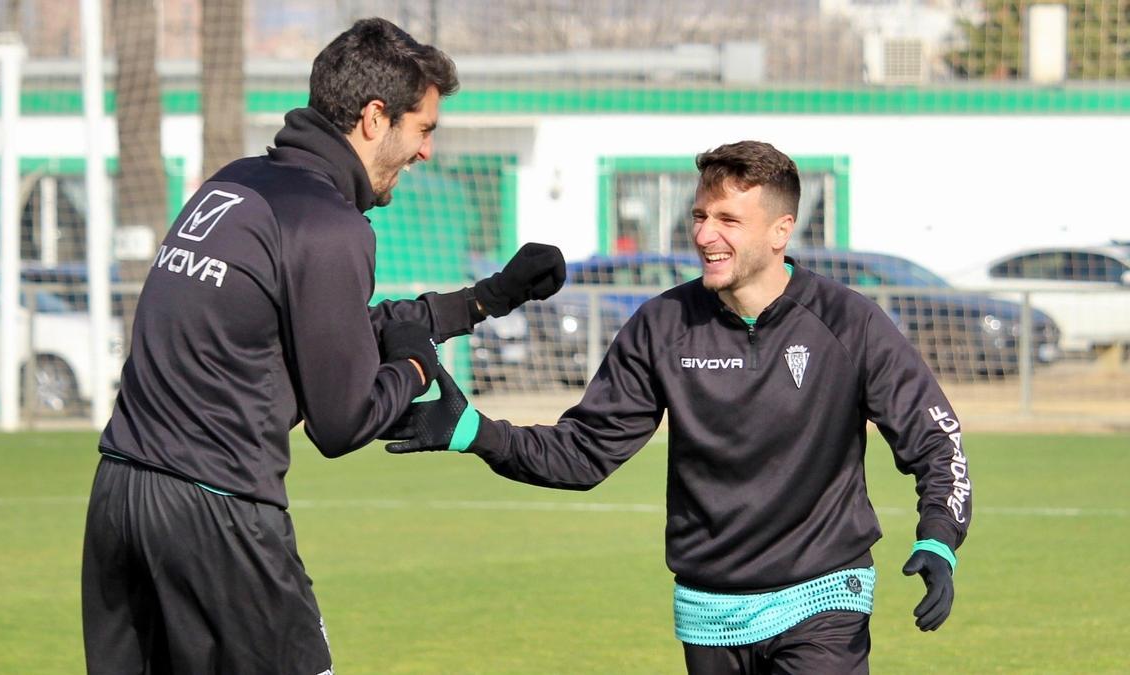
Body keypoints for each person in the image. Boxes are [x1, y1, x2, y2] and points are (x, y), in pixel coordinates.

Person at [81, 17, 566, 674]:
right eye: (423, 129)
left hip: (119, 497)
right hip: (218, 512)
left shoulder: (236, 185)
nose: (427, 152)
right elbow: (340, 422)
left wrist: (482, 300)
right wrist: (419, 364)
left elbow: (328, 331)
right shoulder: (330, 223)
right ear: (374, 118)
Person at [384, 141, 972, 674]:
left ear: (780, 230)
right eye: (699, 216)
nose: (704, 235)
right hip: (707, 613)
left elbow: (936, 439)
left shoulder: (849, 322)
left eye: (728, 220)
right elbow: (585, 453)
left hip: (823, 599)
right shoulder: (662, 326)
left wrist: (938, 537)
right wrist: (477, 432)